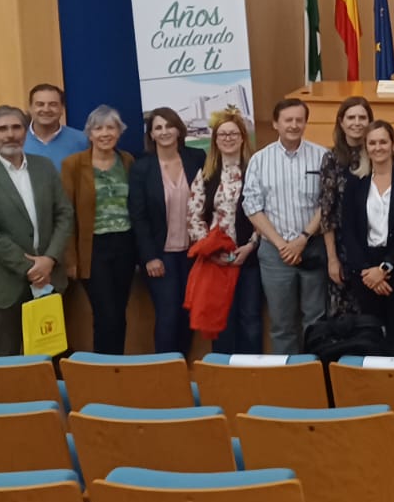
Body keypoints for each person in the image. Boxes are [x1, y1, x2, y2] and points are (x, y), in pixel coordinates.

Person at [0, 105, 75, 355]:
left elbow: (64, 214)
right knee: (7, 357)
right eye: (2, 129)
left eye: (16, 127)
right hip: (4, 284)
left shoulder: (44, 167)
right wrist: (32, 269)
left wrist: (50, 260)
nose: (10, 134)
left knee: (51, 354)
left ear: (25, 131)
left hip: (49, 279)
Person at [242, 98, 328, 354]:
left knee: (316, 321)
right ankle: (288, 384)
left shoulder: (323, 156)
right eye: (288, 120)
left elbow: (328, 203)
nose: (293, 125)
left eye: (299, 120)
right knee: (282, 325)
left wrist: (302, 239)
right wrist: (282, 245)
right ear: (276, 124)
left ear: (305, 123)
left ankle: (315, 378)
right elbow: (252, 206)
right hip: (274, 253)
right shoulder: (259, 160)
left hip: (312, 247)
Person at [336, 120, 394, 355]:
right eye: (372, 143)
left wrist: (384, 268)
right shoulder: (355, 182)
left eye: (383, 141)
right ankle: (376, 389)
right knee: (371, 335)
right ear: (366, 147)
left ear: (393, 144)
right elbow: (349, 230)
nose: (378, 147)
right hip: (364, 271)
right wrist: (367, 271)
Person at [127, 107, 204, 355]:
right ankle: (166, 373)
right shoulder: (142, 167)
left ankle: (184, 370)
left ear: (179, 129)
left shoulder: (197, 158)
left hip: (194, 253)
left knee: (188, 314)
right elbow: (138, 217)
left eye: (169, 126)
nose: (164, 132)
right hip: (161, 256)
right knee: (168, 315)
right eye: (158, 128)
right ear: (151, 134)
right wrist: (150, 256)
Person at [60, 107, 136, 355]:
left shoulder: (127, 161)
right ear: (89, 134)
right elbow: (66, 213)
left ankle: (118, 367)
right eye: (98, 128)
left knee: (119, 313)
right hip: (92, 249)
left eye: (111, 127)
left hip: (124, 246)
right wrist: (71, 260)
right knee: (106, 314)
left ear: (119, 132)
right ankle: (102, 371)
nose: (105, 133)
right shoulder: (73, 164)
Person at [188, 109, 263, 354]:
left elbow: (265, 214)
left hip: (248, 257)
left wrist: (251, 245)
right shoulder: (206, 174)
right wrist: (210, 250)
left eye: (233, 133)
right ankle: (223, 379)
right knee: (222, 322)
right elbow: (194, 215)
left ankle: (252, 376)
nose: (228, 138)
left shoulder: (255, 172)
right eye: (222, 134)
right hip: (215, 260)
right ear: (215, 140)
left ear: (243, 137)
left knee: (250, 320)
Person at [318, 95, 374, 298]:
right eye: (351, 118)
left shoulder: (378, 154)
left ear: (370, 121)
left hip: (374, 246)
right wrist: (333, 259)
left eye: (362, 117)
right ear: (341, 122)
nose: (357, 123)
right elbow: (327, 213)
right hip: (342, 250)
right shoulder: (331, 159)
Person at [23, 83, 88, 165]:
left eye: (53, 104)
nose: (46, 109)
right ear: (30, 108)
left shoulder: (82, 141)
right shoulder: (17, 141)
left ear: (62, 109)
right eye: (40, 104)